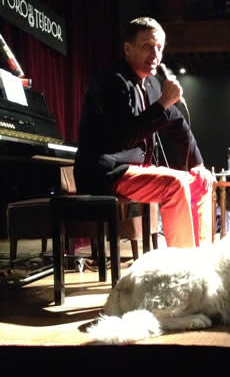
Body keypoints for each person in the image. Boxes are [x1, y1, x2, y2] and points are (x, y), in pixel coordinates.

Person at [74, 17, 213, 249]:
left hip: (133, 170)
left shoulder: (151, 84)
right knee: (176, 183)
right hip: (107, 171)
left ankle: (202, 256)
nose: (155, 53)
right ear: (128, 49)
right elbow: (124, 137)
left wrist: (198, 164)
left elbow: (178, 124)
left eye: (159, 47)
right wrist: (163, 104)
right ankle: (183, 266)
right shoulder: (112, 81)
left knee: (200, 181)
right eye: (148, 45)